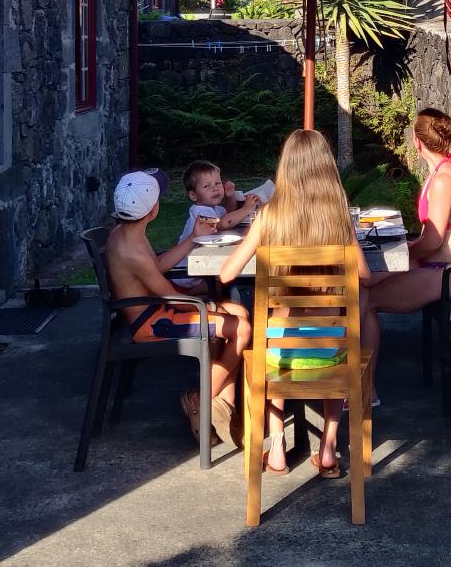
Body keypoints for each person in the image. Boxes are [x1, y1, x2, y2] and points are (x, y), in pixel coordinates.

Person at [220, 129, 370, 477]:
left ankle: (276, 449)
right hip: (329, 351)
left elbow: (227, 275)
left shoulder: (269, 216)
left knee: (271, 349)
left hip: (281, 355)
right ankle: (329, 448)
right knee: (343, 345)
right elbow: (365, 276)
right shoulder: (338, 217)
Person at [105, 170, 251, 445]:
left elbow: (157, 268)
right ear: (153, 209)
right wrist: (208, 308)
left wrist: (193, 237)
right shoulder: (132, 250)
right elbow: (170, 295)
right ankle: (200, 397)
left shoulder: (126, 233)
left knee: (237, 312)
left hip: (151, 309)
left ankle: (223, 403)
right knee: (240, 328)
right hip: (152, 321)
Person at [362, 109, 451, 388]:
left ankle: (365, 389)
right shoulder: (441, 172)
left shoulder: (445, 178)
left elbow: (433, 241)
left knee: (366, 299)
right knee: (365, 281)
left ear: (417, 140)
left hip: (449, 274)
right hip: (434, 266)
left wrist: (403, 251)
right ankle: (361, 383)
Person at [180, 159, 261, 238]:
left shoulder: (216, 209)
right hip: (192, 251)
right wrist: (246, 209)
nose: (215, 188)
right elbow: (224, 224)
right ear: (194, 195)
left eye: (217, 183)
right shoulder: (200, 212)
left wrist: (230, 197)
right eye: (207, 186)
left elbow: (230, 214)